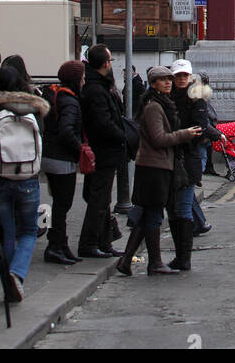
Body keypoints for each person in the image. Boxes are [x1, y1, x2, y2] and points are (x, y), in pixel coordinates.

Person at [116, 68, 203, 277]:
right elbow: (159, 139)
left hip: (159, 166)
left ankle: (127, 260)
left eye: (168, 79)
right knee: (153, 214)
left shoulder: (163, 103)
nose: (168, 83)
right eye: (162, 80)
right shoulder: (154, 107)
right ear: (152, 84)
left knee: (146, 213)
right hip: (154, 167)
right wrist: (185, 134)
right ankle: (154, 263)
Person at [0, 64, 50, 303]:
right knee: (29, 231)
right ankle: (17, 273)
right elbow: (42, 140)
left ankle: (8, 283)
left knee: (6, 232)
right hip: (28, 178)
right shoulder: (34, 109)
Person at [166, 60, 217, 270]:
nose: (181, 79)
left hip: (187, 159)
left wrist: (176, 136)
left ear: (190, 76)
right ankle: (180, 255)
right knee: (171, 210)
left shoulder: (197, 98)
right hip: (168, 159)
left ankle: (184, 257)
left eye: (184, 75)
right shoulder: (165, 97)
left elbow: (199, 130)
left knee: (183, 208)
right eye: (178, 75)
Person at [77, 45, 127, 258]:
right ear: (105, 63)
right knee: (98, 199)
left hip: (104, 150)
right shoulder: (96, 89)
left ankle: (104, 241)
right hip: (102, 151)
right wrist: (122, 135)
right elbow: (103, 123)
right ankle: (89, 244)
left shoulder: (96, 85)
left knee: (102, 199)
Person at [41, 60, 85, 265]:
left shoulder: (54, 95)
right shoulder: (69, 101)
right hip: (62, 159)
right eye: (82, 77)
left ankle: (59, 243)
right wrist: (80, 148)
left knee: (58, 204)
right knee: (62, 205)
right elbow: (66, 130)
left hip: (50, 155)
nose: (84, 81)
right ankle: (55, 245)